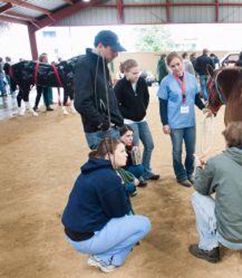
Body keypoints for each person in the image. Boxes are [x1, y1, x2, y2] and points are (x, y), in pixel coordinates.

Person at [62, 138, 151, 273]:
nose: (126, 154)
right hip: (85, 240)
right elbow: (120, 213)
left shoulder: (93, 167)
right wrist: (126, 187)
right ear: (109, 155)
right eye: (121, 151)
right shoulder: (108, 177)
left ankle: (113, 259)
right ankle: (103, 257)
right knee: (143, 224)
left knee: (128, 224)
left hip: (74, 233)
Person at [189, 121, 242, 263]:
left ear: (228, 141)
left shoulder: (216, 162)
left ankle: (209, 248)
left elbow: (201, 188)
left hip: (229, 238)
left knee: (197, 197)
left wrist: (198, 169)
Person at [157, 51, 211, 188]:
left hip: (189, 121)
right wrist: (165, 123)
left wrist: (203, 108)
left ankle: (189, 172)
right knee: (177, 151)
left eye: (178, 64)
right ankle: (180, 175)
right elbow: (162, 105)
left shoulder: (192, 79)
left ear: (182, 63)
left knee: (190, 150)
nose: (176, 68)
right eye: (172, 66)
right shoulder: (166, 82)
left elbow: (196, 98)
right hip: (174, 123)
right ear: (169, 67)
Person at [74, 30, 126, 150]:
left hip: (111, 128)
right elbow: (81, 102)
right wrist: (103, 123)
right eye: (113, 50)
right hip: (100, 132)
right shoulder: (84, 65)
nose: (116, 54)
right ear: (101, 46)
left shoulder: (102, 64)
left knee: (116, 167)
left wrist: (118, 121)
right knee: (107, 167)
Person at [114, 59, 160, 181]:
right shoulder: (119, 85)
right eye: (134, 73)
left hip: (142, 119)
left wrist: (142, 110)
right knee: (135, 149)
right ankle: (137, 176)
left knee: (150, 145)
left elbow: (146, 97)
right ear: (126, 73)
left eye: (138, 72)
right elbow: (115, 105)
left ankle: (146, 171)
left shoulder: (141, 81)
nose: (137, 75)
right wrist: (127, 113)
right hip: (129, 122)